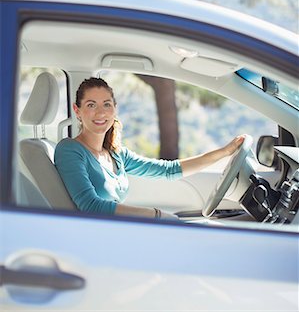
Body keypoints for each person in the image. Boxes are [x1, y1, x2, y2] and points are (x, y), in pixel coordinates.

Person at [54, 77, 244, 220]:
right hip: (101, 238)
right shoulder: (70, 150)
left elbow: (168, 170)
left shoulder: (116, 153)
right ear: (77, 111)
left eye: (106, 104)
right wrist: (156, 215)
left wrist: (224, 152)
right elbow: (91, 206)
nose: (101, 112)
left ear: (115, 109)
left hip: (117, 231)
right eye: (91, 105)